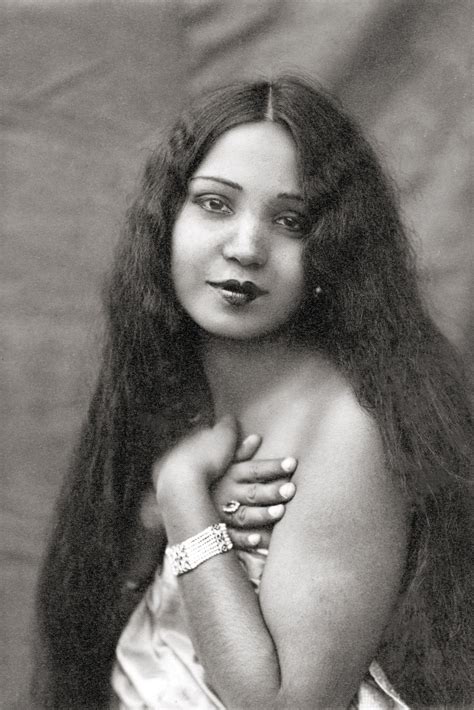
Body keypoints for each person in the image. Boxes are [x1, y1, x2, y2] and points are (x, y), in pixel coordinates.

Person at [33, 76, 473, 709]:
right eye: (215, 204)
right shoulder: (172, 388)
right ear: (166, 218)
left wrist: (184, 494)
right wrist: (156, 515)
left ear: (335, 248)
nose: (245, 248)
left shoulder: (351, 428)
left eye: (290, 221)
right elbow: (99, 614)